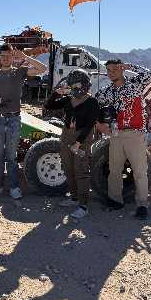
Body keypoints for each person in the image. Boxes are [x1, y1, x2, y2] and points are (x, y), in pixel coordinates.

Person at [0, 44, 47, 199]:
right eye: (3, 56)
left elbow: (43, 68)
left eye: (8, 55)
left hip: (14, 119)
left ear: (13, 56)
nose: (5, 58)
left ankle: (13, 187)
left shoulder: (20, 72)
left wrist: (25, 57)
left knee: (12, 156)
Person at [95, 59, 151, 220]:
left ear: (122, 69)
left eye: (115, 69)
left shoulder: (135, 85)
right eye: (108, 70)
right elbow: (93, 108)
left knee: (140, 171)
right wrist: (99, 125)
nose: (111, 73)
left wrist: (130, 66)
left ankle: (142, 205)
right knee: (114, 170)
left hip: (135, 134)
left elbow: (150, 75)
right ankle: (115, 201)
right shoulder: (106, 92)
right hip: (116, 134)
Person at [44, 69, 99, 219]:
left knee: (81, 171)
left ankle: (83, 205)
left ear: (85, 84)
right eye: (72, 85)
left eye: (77, 84)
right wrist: (56, 93)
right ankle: (74, 198)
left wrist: (78, 143)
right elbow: (49, 106)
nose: (75, 87)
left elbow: (90, 124)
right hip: (66, 136)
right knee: (68, 169)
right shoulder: (68, 99)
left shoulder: (92, 102)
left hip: (83, 138)